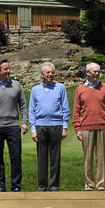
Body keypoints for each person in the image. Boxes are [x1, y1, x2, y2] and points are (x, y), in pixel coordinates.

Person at [0, 59, 28, 192]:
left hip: (13, 126)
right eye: (5, 69)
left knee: (16, 158)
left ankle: (16, 186)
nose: (8, 71)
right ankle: (1, 186)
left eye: (9, 68)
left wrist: (24, 122)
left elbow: (23, 105)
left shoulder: (16, 85)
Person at [29, 62, 70, 192]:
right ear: (42, 74)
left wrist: (65, 127)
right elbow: (32, 111)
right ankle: (42, 186)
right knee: (42, 158)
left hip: (56, 126)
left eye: (52, 72)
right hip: (41, 127)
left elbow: (65, 108)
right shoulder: (35, 90)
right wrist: (33, 129)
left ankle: (54, 186)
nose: (51, 75)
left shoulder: (60, 87)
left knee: (55, 158)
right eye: (48, 72)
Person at [73, 62, 105, 191]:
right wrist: (77, 129)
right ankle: (89, 185)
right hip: (85, 128)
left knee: (101, 158)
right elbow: (76, 111)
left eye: (98, 71)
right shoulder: (80, 89)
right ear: (87, 72)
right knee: (88, 158)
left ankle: (100, 185)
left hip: (102, 126)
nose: (96, 73)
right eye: (94, 71)